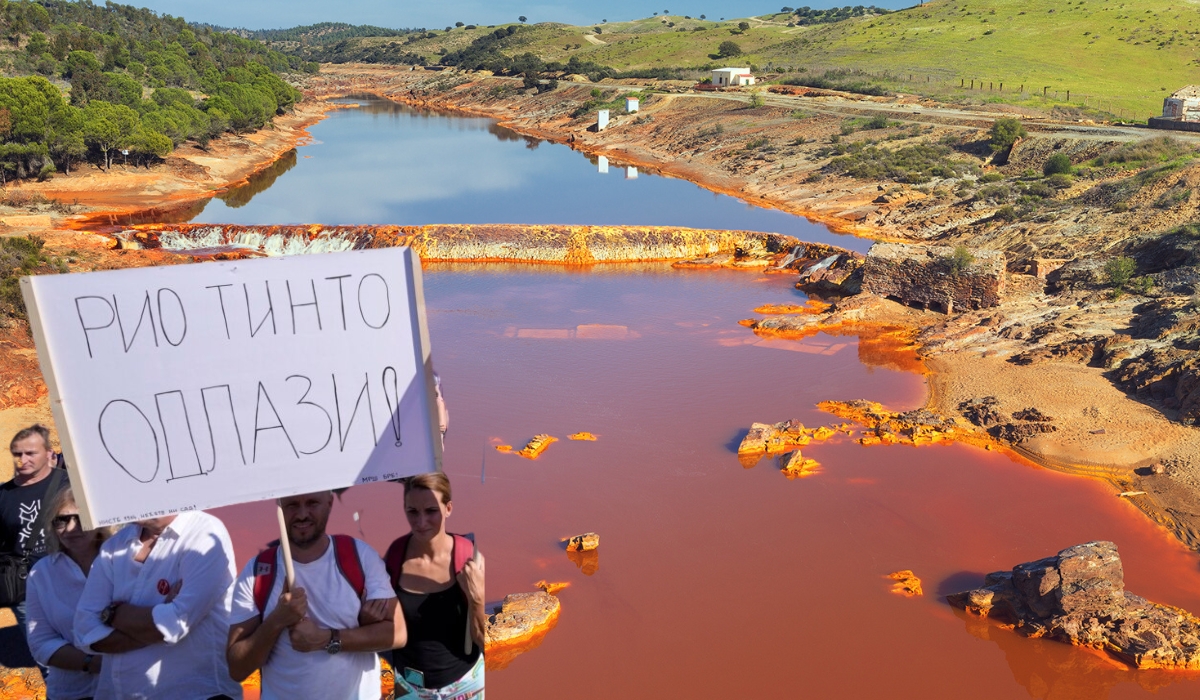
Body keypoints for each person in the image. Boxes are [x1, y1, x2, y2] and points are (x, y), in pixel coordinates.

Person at [226, 491, 404, 699]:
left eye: (312, 503)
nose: (302, 514)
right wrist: (277, 620)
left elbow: (397, 634)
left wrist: (325, 639)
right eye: (292, 505)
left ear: (329, 503)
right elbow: (237, 668)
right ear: (279, 506)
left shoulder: (359, 556)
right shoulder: (257, 571)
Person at [74, 511, 243, 700]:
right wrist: (153, 624)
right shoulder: (116, 543)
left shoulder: (204, 531)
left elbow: (173, 625)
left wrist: (113, 614)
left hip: (195, 694)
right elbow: (84, 630)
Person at [384, 473, 484, 699]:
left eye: (431, 511)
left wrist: (476, 598)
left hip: (465, 686)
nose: (421, 523)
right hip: (408, 687)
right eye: (412, 512)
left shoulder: (470, 558)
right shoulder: (395, 556)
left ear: (448, 508)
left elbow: (484, 639)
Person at [25, 487, 113, 700]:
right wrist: (92, 664)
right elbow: (41, 642)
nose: (71, 528)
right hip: (72, 692)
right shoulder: (42, 572)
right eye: (61, 520)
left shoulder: (122, 563)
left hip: (126, 689)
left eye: (80, 518)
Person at [2, 425, 68, 636]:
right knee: (45, 652)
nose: (23, 459)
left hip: (69, 580)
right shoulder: (4, 494)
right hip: (25, 589)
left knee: (84, 641)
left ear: (49, 454)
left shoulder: (68, 485)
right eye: (18, 454)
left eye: (31, 453)